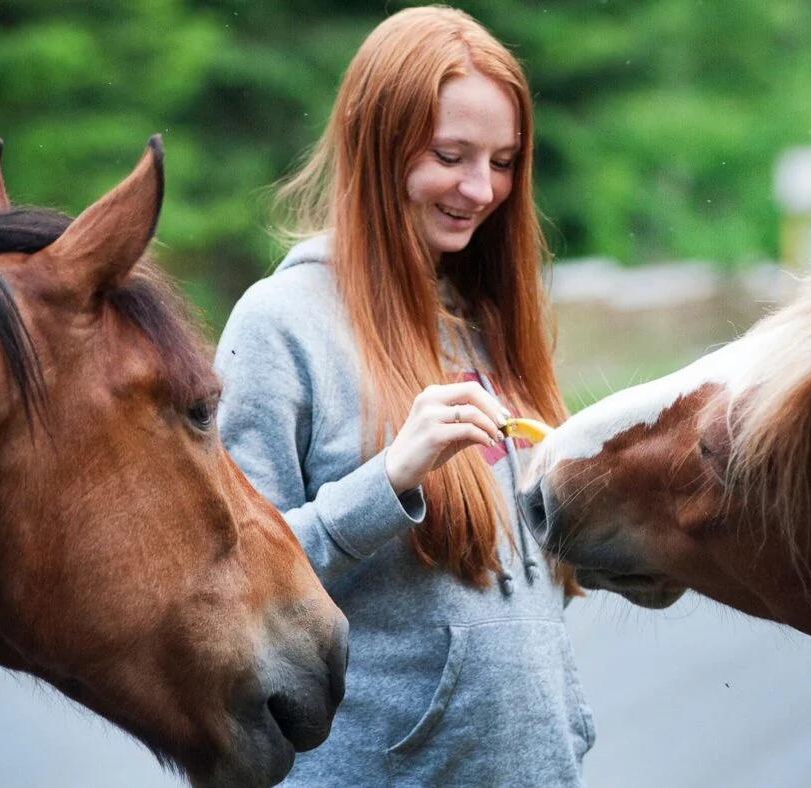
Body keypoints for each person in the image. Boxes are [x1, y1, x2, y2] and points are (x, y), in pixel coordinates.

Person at [214, 6, 595, 786]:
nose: (481, 188)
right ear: (378, 144)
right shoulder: (279, 325)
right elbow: (229, 588)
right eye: (451, 155)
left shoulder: (485, 317)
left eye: (504, 159)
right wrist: (388, 481)